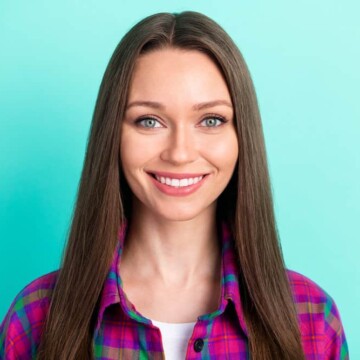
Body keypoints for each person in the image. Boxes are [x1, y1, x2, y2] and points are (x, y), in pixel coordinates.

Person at [0, 11, 348, 360]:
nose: (179, 153)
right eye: (149, 121)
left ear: (242, 135)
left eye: (211, 120)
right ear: (113, 135)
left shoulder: (312, 319)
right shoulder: (35, 317)